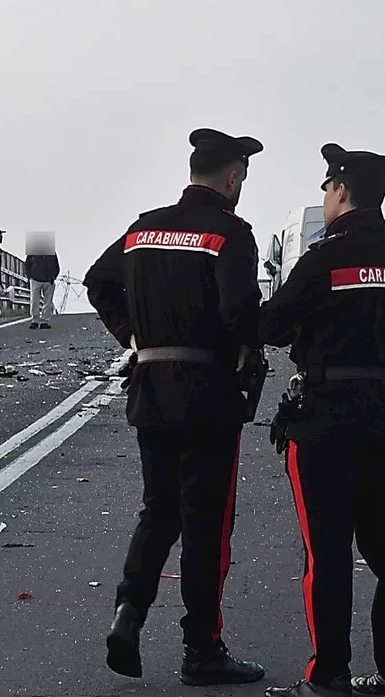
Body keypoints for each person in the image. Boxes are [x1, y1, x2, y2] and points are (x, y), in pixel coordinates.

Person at [83, 127, 266, 687]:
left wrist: (132, 336)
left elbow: (97, 281)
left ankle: (128, 613)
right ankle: (202, 649)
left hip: (151, 387)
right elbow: (239, 309)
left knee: (158, 509)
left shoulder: (142, 229)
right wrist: (248, 345)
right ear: (233, 177)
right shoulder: (230, 232)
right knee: (205, 523)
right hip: (207, 393)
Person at [260, 144, 385, 697]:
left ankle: (326, 677)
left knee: (326, 553)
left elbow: (272, 327)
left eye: (326, 188)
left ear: (341, 191)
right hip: (384, 407)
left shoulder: (325, 257)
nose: (324, 197)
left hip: (327, 412)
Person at [24, 234, 60, 329]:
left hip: (48, 280)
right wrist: (30, 276)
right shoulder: (33, 253)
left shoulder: (51, 253)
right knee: (35, 301)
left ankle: (44, 321)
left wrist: (53, 276)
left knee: (47, 302)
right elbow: (27, 265)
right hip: (36, 279)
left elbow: (56, 266)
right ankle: (35, 320)